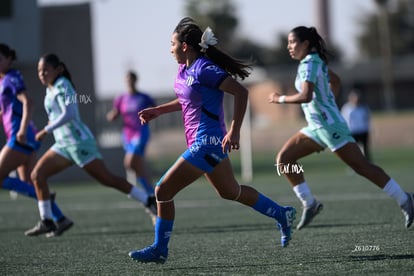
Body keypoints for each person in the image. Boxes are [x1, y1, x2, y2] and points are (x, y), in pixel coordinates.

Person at [128, 17, 296, 264]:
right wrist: (158, 111)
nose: (170, 48)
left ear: (185, 45)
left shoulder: (205, 68)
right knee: (231, 191)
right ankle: (282, 214)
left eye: (172, 43)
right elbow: (187, 101)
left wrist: (235, 130)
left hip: (208, 142)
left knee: (162, 190)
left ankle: (159, 249)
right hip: (200, 142)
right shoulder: (184, 70)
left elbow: (241, 92)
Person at [268, 26, 413, 231]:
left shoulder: (308, 64)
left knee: (361, 166)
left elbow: (306, 96)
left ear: (305, 44)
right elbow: (335, 81)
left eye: (293, 42)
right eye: (289, 42)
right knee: (284, 160)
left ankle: (404, 198)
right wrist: (328, 102)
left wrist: (279, 98)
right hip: (316, 126)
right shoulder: (315, 62)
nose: (288, 46)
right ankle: (310, 203)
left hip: (329, 126)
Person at [24, 53, 157, 237]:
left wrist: (46, 129)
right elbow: (57, 114)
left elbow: (69, 114)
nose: (42, 73)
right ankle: (50, 221)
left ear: (58, 69)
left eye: (46, 69)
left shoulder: (64, 85)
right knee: (37, 175)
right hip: (63, 145)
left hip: (79, 143)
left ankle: (148, 200)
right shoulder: (50, 89)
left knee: (107, 179)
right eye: (40, 70)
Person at [0, 43, 73, 237]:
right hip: (24, 137)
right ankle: (60, 219)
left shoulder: (12, 77)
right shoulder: (5, 79)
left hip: (20, 137)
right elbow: (10, 108)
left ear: (9, 59)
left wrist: (22, 129)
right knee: (31, 183)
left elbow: (28, 102)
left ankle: (49, 202)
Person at [106, 70, 155, 196]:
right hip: (127, 134)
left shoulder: (143, 97)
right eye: (127, 79)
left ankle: (144, 192)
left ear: (135, 80)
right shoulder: (121, 98)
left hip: (141, 132)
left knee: (130, 162)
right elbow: (116, 112)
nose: (129, 81)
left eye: (131, 79)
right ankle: (150, 192)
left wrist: (150, 114)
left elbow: (155, 109)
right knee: (137, 166)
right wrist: (112, 116)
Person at [341, 89, 371, 161]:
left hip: (363, 130)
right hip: (352, 131)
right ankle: (355, 164)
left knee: (365, 149)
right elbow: (343, 120)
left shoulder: (363, 107)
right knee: (353, 150)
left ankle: (368, 163)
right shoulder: (346, 108)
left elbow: (367, 118)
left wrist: (367, 127)